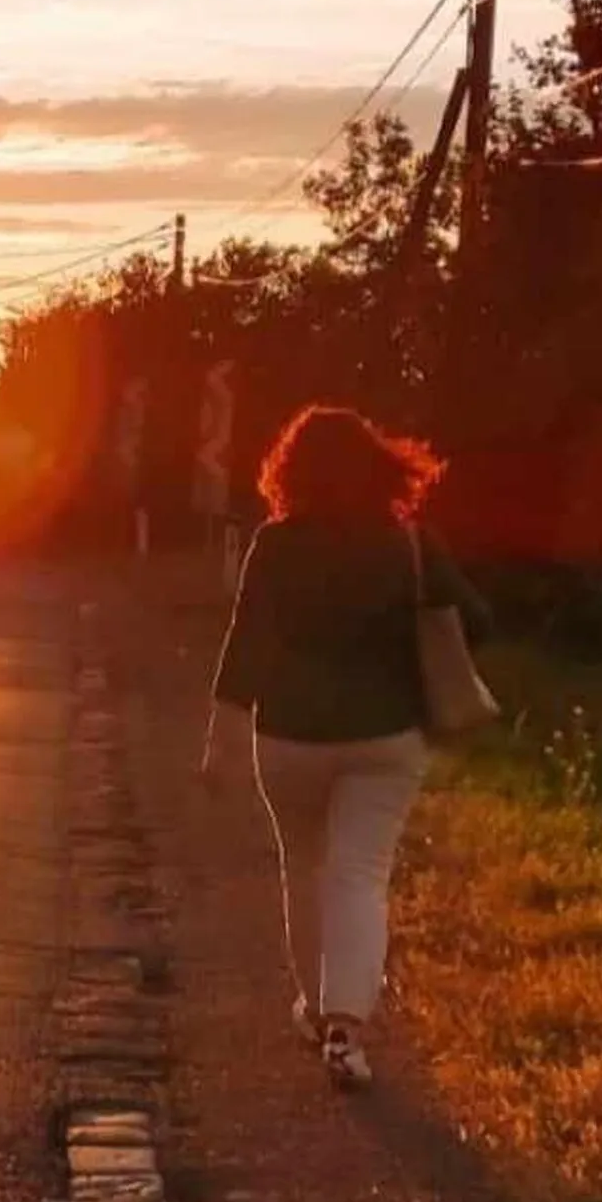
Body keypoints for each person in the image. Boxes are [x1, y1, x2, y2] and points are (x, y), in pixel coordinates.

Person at [202, 403, 493, 1090]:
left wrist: (219, 739)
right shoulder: (411, 544)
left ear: (288, 470)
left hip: (290, 736)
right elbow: (477, 621)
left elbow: (245, 646)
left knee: (302, 870)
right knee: (359, 874)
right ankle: (345, 1029)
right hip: (387, 737)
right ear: (378, 466)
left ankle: (316, 1011)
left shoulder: (275, 545)